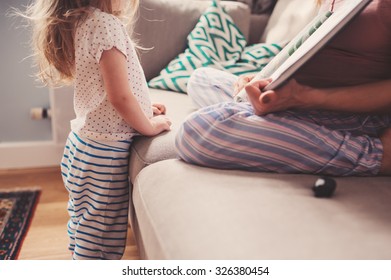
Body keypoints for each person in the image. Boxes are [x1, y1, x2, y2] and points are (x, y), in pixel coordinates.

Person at [20, 0, 171, 259]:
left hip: (82, 143)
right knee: (100, 240)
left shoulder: (79, 20)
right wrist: (149, 126)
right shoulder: (106, 25)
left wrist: (144, 106)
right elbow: (119, 97)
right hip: (104, 153)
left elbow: (107, 87)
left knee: (84, 222)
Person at [175, 0, 391, 176]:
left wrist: (306, 97)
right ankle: (268, 118)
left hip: (347, 115)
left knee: (197, 132)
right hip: (303, 101)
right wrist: (263, 78)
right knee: (200, 79)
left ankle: (373, 156)